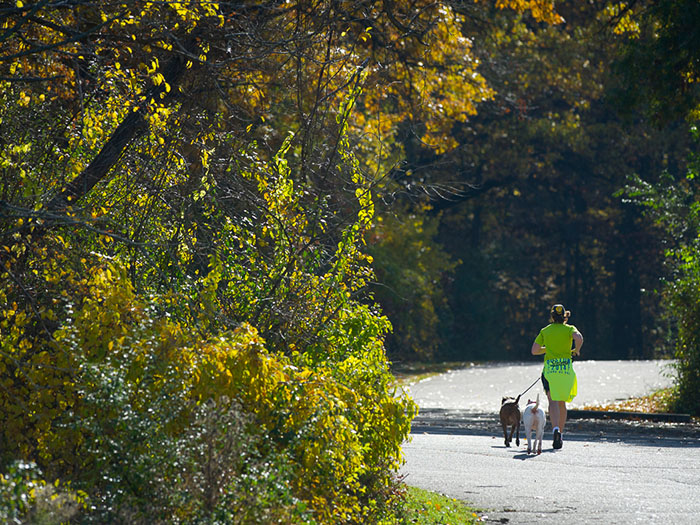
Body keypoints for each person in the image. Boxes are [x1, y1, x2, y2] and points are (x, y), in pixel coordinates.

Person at [530, 304, 583, 450]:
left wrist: (548, 348)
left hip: (550, 372)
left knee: (552, 401)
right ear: (564, 316)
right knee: (562, 403)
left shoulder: (545, 331)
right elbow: (579, 338)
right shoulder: (569, 329)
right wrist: (576, 350)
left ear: (552, 317)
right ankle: (561, 432)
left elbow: (534, 350)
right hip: (565, 371)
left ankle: (555, 430)